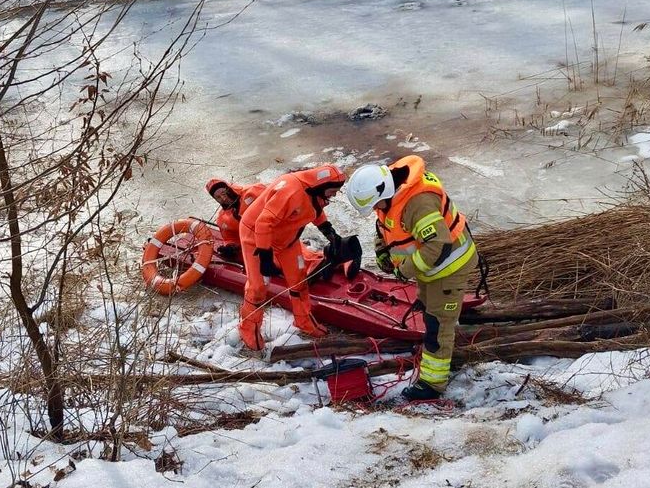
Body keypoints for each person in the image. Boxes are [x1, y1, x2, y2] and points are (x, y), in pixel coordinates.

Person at [345, 155, 478, 400]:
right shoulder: (392, 192)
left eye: (376, 205)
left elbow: (438, 244)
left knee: (439, 324)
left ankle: (432, 385)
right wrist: (382, 251)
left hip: (450, 267)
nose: (376, 210)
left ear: (384, 192)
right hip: (431, 269)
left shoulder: (418, 203)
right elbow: (385, 224)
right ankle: (436, 353)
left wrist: (404, 269)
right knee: (429, 312)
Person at [237, 164, 347, 350]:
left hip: (286, 239)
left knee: (299, 278)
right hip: (255, 236)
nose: (334, 195)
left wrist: (329, 231)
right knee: (258, 286)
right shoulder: (290, 191)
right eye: (333, 191)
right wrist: (265, 256)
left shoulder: (315, 192)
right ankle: (248, 329)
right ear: (322, 186)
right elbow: (263, 223)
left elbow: (314, 209)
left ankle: (303, 320)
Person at [205, 179, 266, 261]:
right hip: (258, 245)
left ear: (229, 188)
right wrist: (231, 247)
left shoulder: (254, 191)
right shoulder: (222, 219)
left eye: (223, 193)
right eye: (218, 197)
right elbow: (231, 238)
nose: (223, 198)